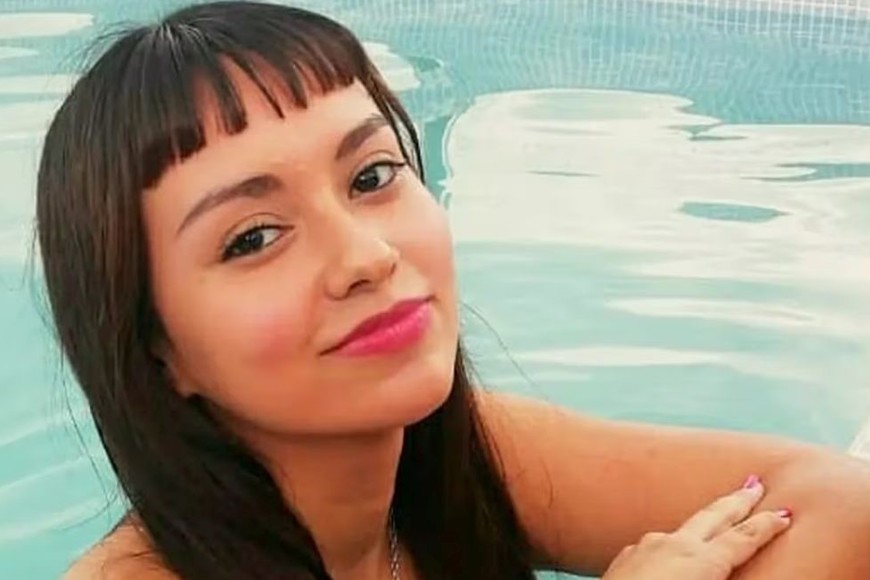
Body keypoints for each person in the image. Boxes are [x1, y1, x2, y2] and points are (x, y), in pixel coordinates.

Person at [34, 2, 869, 579]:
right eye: (254, 237)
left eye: (372, 175)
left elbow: (834, 504)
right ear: (157, 348)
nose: (366, 255)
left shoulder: (463, 455)